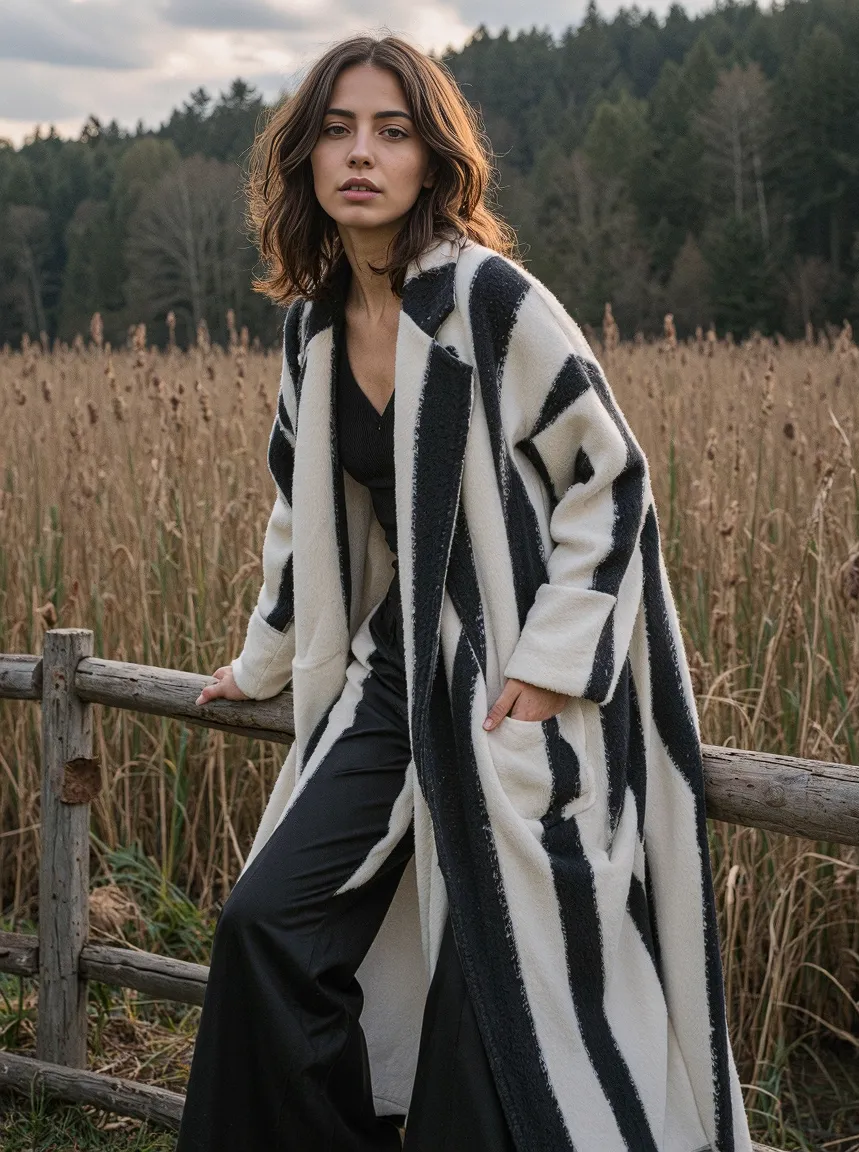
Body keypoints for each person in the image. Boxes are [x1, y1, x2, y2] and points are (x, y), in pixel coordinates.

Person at [176, 32, 753, 1152]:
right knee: (261, 923)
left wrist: (547, 664)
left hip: (504, 678)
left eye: (391, 132)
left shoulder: (488, 299)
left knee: (491, 979)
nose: (361, 154)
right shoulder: (308, 332)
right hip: (391, 675)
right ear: (303, 161)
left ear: (431, 161)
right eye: (336, 131)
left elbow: (610, 475)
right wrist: (257, 663)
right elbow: (302, 526)